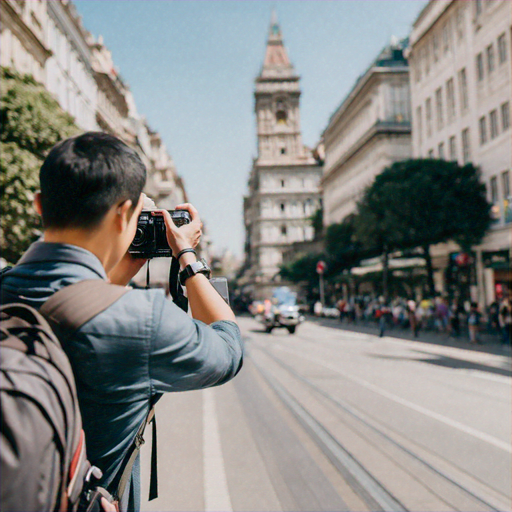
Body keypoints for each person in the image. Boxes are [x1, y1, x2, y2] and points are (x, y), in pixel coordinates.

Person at [1, 132, 244, 512]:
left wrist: (114, 269)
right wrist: (187, 255)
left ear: (38, 204)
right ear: (123, 215)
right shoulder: (143, 318)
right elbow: (228, 350)